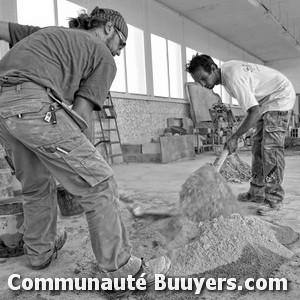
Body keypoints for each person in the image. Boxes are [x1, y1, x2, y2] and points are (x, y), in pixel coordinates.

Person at [0, 6, 171, 295]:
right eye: (122, 43)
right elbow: (81, 116)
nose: (119, 51)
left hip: (3, 108)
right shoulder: (102, 55)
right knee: (99, 184)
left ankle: (40, 254)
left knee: (35, 185)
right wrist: (88, 166)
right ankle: (122, 272)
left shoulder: (49, 34)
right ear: (108, 29)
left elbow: (3, 28)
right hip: (34, 104)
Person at [186, 54, 295, 216]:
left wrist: (235, 137)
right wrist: (237, 134)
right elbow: (254, 110)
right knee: (257, 146)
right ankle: (256, 193)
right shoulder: (227, 71)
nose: (202, 85)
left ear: (213, 68)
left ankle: (274, 199)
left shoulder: (232, 79)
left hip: (280, 96)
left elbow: (254, 111)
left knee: (270, 149)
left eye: (203, 79)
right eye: (198, 82)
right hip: (266, 101)